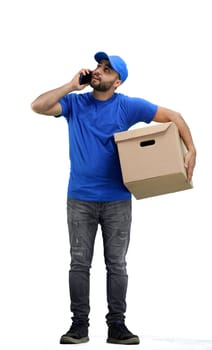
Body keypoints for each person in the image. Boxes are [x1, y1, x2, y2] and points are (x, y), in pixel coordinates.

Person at [31, 51, 196, 345]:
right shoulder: (75, 103)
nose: (98, 71)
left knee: (116, 264)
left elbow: (174, 117)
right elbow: (37, 106)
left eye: (106, 70)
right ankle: (78, 326)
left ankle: (117, 326)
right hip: (79, 198)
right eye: (98, 66)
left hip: (117, 199)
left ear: (117, 81)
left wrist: (191, 149)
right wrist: (71, 85)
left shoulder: (128, 107)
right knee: (79, 263)